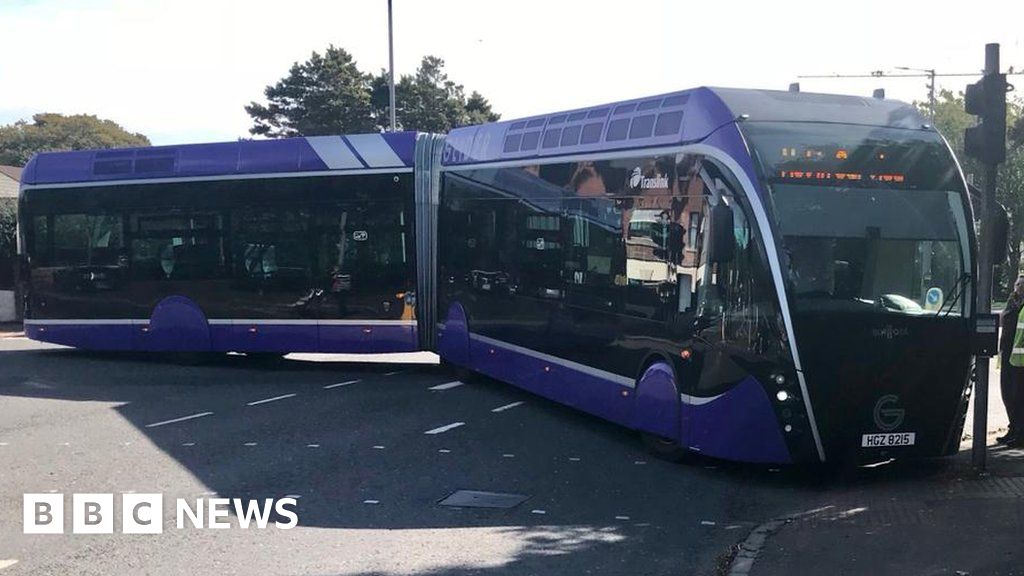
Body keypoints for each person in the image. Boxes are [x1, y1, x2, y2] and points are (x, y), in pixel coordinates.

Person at [999, 276, 1024, 446]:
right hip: (1009, 357)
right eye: (1018, 284)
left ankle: (1020, 434)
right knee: (1008, 396)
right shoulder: (1012, 302)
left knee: (1018, 398)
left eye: (1023, 285)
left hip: (1021, 361)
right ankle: (1013, 428)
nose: (1019, 287)